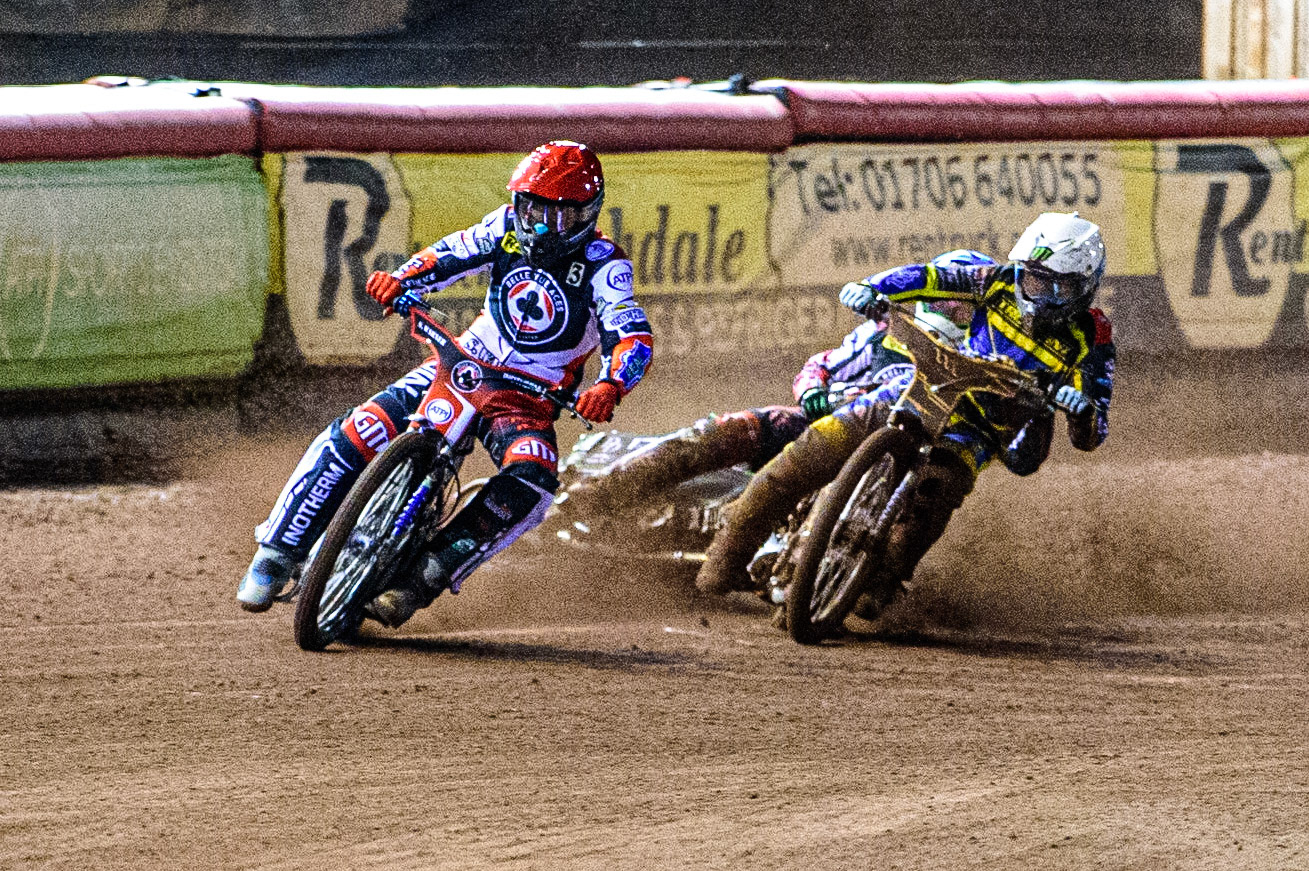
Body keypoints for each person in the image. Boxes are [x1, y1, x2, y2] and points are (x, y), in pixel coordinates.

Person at [236, 141, 655, 627]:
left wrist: (611, 385)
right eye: (531, 209)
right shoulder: (504, 227)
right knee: (359, 428)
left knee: (532, 484)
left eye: (558, 216)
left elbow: (631, 334)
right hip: (461, 363)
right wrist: (402, 280)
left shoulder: (607, 264)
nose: (541, 225)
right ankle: (276, 551)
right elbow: (452, 253)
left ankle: (422, 579)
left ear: (587, 214)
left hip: (527, 397)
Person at [695, 212, 1116, 598]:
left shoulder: (1092, 337)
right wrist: (872, 287)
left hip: (977, 431)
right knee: (815, 446)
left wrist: (1080, 409)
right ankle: (728, 552)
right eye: (1035, 280)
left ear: (1083, 288)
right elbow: (929, 276)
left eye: (1057, 286)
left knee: (931, 503)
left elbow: (1093, 429)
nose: (1040, 294)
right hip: (923, 390)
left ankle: (880, 584)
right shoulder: (996, 280)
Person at [561, 250, 993, 517]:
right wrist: (813, 393)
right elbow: (819, 366)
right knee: (741, 426)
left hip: (893, 461)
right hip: (821, 425)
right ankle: (603, 491)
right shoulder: (884, 331)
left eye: (965, 307)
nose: (954, 310)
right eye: (947, 300)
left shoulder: (981, 366)